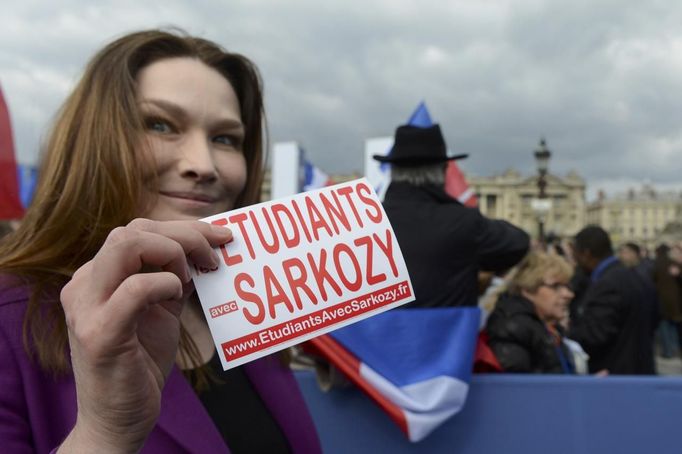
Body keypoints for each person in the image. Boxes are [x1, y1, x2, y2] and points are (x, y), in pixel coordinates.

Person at [0, 29, 321, 453]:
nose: (203, 165)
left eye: (225, 138)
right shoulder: (10, 320)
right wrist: (104, 433)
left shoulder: (246, 302)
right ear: (91, 144)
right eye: (160, 125)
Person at [373, 124, 530, 308]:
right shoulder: (463, 223)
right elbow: (518, 243)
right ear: (443, 171)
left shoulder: (363, 225)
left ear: (392, 171)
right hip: (445, 335)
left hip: (374, 335)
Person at [568, 226, 656, 375]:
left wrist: (565, 332)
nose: (575, 261)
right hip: (641, 368)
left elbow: (595, 335)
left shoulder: (607, 284)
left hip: (616, 373)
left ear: (586, 254)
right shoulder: (635, 275)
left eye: (575, 255)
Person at [485, 251, 579, 373]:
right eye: (556, 286)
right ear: (528, 289)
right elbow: (520, 387)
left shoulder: (546, 328)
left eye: (567, 286)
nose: (568, 294)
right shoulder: (513, 328)